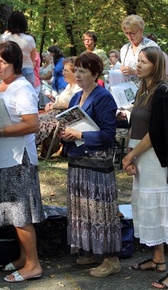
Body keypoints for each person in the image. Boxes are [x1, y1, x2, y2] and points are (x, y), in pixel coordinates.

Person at [0, 41, 44, 283]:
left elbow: (32, 124)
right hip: (0, 158)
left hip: (18, 160)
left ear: (15, 64)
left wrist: (1, 132)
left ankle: (33, 265)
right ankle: (22, 257)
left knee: (21, 215)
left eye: (3, 61)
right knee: (11, 214)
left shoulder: (22, 88)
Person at [122, 47, 168, 289]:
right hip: (140, 153)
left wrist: (133, 155)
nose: (138, 65)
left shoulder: (161, 92)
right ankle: (158, 259)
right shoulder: (143, 89)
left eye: (144, 62)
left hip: (154, 156)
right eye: (138, 61)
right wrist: (129, 155)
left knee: (163, 212)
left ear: (155, 65)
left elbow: (156, 132)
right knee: (147, 207)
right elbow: (135, 127)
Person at [58, 52, 121, 278]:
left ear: (95, 74)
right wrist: (67, 135)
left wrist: (79, 133)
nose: (77, 75)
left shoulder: (104, 97)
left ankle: (111, 259)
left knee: (100, 211)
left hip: (97, 164)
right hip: (78, 160)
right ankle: (92, 250)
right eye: (76, 70)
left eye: (82, 71)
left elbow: (107, 134)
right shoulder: (76, 98)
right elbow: (73, 127)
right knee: (82, 209)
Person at [36, 57, 81, 156]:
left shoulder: (79, 88)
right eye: (63, 70)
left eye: (66, 71)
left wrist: (55, 105)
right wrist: (51, 103)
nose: (63, 73)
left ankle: (38, 147)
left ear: (74, 72)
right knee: (36, 119)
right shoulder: (69, 86)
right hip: (56, 114)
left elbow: (73, 104)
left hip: (66, 117)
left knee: (42, 122)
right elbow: (59, 101)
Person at [0, 11, 37, 86]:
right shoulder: (30, 39)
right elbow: (33, 59)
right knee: (29, 94)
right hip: (27, 69)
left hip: (9, 70)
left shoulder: (4, 38)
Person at [119, 15, 159, 83]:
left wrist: (135, 72)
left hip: (147, 87)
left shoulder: (151, 46)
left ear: (141, 30)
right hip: (128, 89)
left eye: (132, 33)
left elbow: (158, 70)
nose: (129, 36)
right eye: (126, 33)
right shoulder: (125, 49)